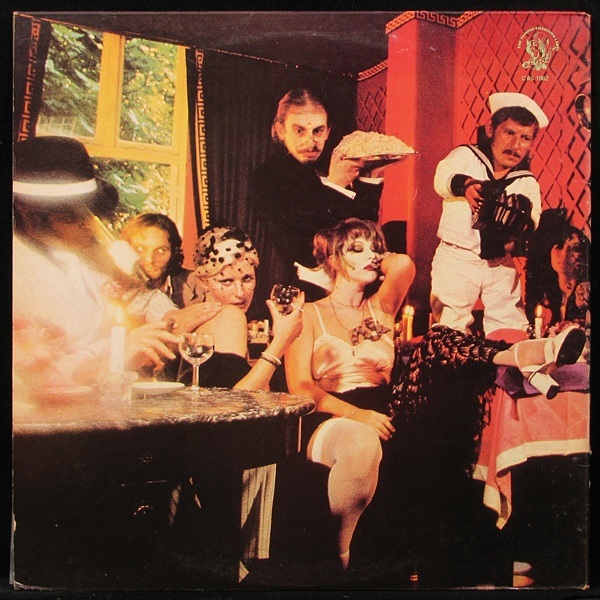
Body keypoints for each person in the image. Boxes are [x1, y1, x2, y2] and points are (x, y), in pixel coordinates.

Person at [285, 218, 586, 575]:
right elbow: (301, 388)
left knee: (438, 338)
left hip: (390, 407)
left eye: (375, 248)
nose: (372, 255)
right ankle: (345, 555)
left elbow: (403, 264)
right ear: (334, 259)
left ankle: (527, 355)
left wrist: (368, 254)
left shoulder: (380, 306)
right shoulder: (308, 313)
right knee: (375, 432)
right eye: (357, 249)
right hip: (335, 415)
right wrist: (357, 414)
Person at [12, 136, 221, 389]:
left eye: (90, 213)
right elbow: (30, 375)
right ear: (30, 216)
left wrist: (171, 317)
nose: (88, 225)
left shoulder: (86, 254)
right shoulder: (18, 272)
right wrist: (116, 354)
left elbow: (142, 296)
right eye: (72, 217)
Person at [247, 87, 388, 317]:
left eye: (318, 131)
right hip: (303, 298)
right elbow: (307, 252)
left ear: (328, 131)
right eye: (299, 130)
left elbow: (362, 231)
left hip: (353, 295)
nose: (310, 141)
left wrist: (370, 178)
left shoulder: (330, 165)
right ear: (281, 130)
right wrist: (335, 186)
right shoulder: (266, 178)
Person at [430, 92, 548, 336]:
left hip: (500, 262)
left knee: (510, 324)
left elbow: (535, 217)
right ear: (491, 129)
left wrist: (524, 224)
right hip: (457, 257)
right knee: (451, 324)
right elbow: (442, 177)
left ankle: (506, 359)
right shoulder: (466, 156)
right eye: (509, 132)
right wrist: (465, 186)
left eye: (525, 138)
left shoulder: (526, 181)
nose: (515, 145)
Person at [120, 212, 204, 309]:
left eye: (161, 250)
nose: (149, 260)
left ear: (174, 252)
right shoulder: (112, 285)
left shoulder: (198, 284)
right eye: (140, 249)